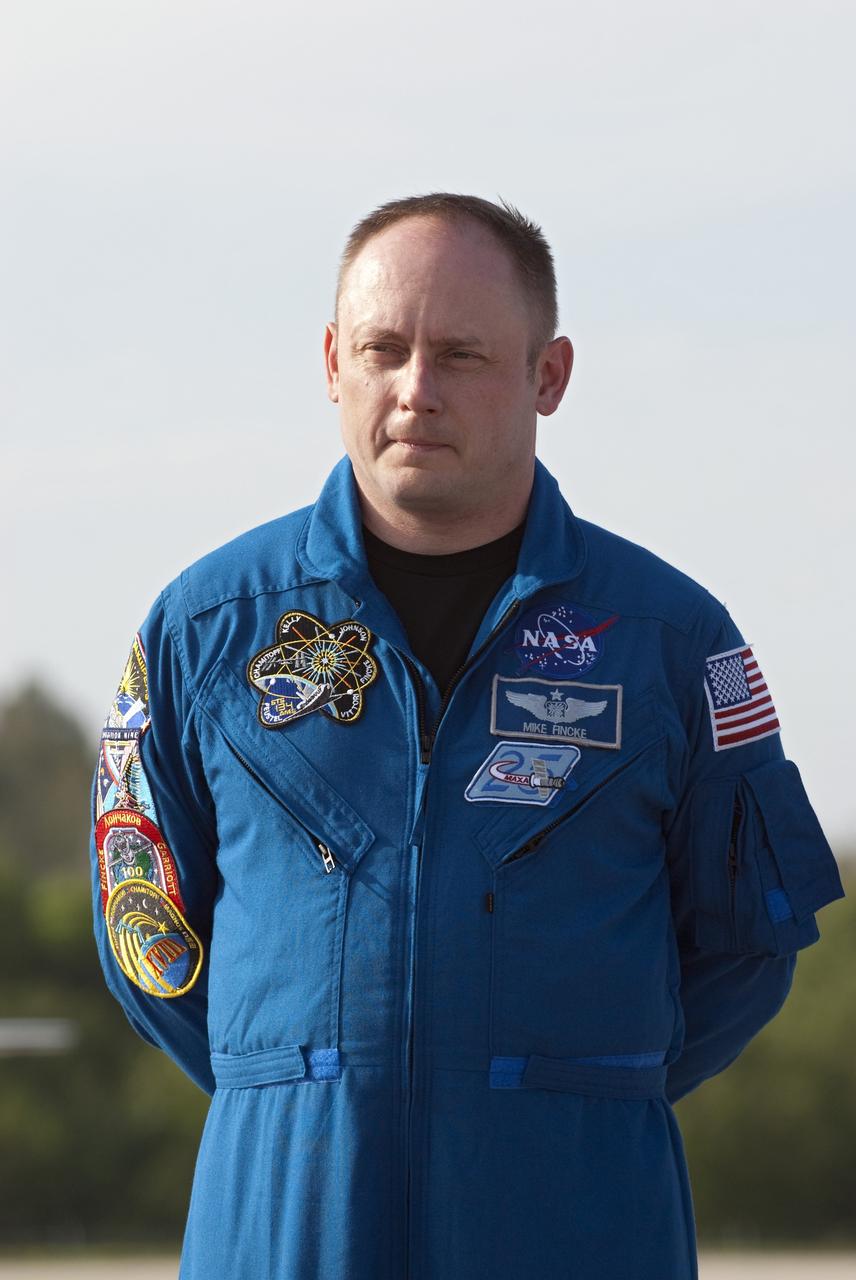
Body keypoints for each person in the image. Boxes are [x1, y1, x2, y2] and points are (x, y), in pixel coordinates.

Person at [88, 193, 845, 1279]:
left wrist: (564, 1093)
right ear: (331, 361)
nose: (414, 389)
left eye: (460, 354)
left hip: (582, 1230)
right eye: (383, 348)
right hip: (283, 1227)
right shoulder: (200, 633)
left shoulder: (674, 641)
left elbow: (744, 952)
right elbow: (146, 937)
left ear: (549, 375)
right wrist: (308, 1088)